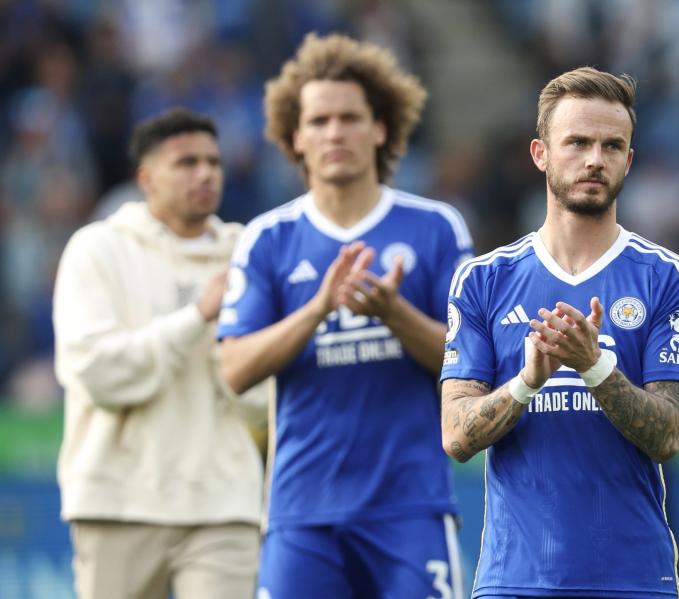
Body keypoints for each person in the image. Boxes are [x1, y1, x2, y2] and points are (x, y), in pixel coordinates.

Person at [217, 33, 473, 598]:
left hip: (410, 507)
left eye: (351, 118)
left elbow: (472, 364)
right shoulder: (268, 238)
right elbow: (233, 368)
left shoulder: (435, 228)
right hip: (302, 511)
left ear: (380, 127)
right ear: (296, 137)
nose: (336, 132)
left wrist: (393, 313)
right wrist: (315, 309)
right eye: (320, 120)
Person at [440, 66, 679, 598]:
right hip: (514, 582)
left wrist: (594, 366)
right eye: (577, 142)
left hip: (633, 582)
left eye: (612, 146)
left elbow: (669, 434)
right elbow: (456, 437)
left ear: (628, 160)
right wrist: (526, 381)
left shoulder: (669, 277)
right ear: (540, 154)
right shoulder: (484, 279)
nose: (594, 160)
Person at [53, 107, 271, 599]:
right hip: (117, 502)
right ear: (146, 178)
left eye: (213, 162)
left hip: (225, 502)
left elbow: (263, 399)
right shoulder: (96, 250)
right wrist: (197, 317)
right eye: (187, 162)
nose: (205, 174)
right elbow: (100, 376)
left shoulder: (249, 255)